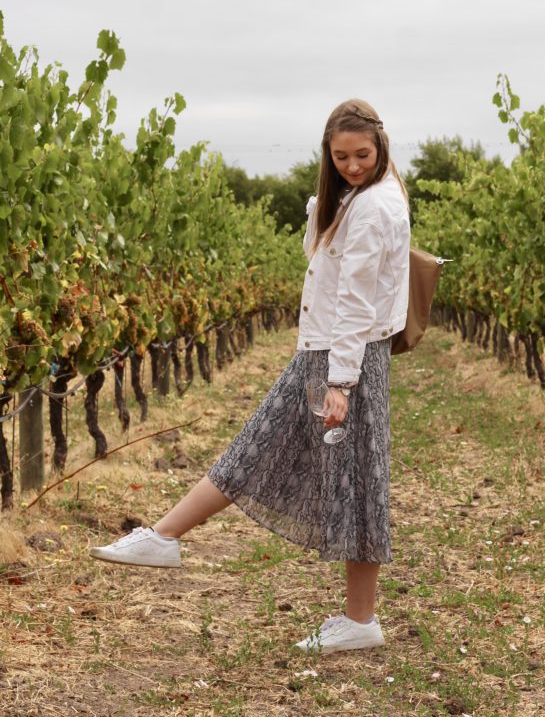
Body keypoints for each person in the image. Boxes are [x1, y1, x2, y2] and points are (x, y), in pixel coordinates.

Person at [90, 99, 410, 654]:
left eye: (362, 154)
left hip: (343, 360)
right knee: (258, 449)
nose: (353, 165)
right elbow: (323, 261)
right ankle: (164, 536)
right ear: (327, 155)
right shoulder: (356, 199)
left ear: (381, 147)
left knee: (356, 482)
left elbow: (356, 302)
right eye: (341, 157)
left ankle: (361, 621)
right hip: (328, 353)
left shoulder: (374, 206)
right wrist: (327, 203)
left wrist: (341, 383)